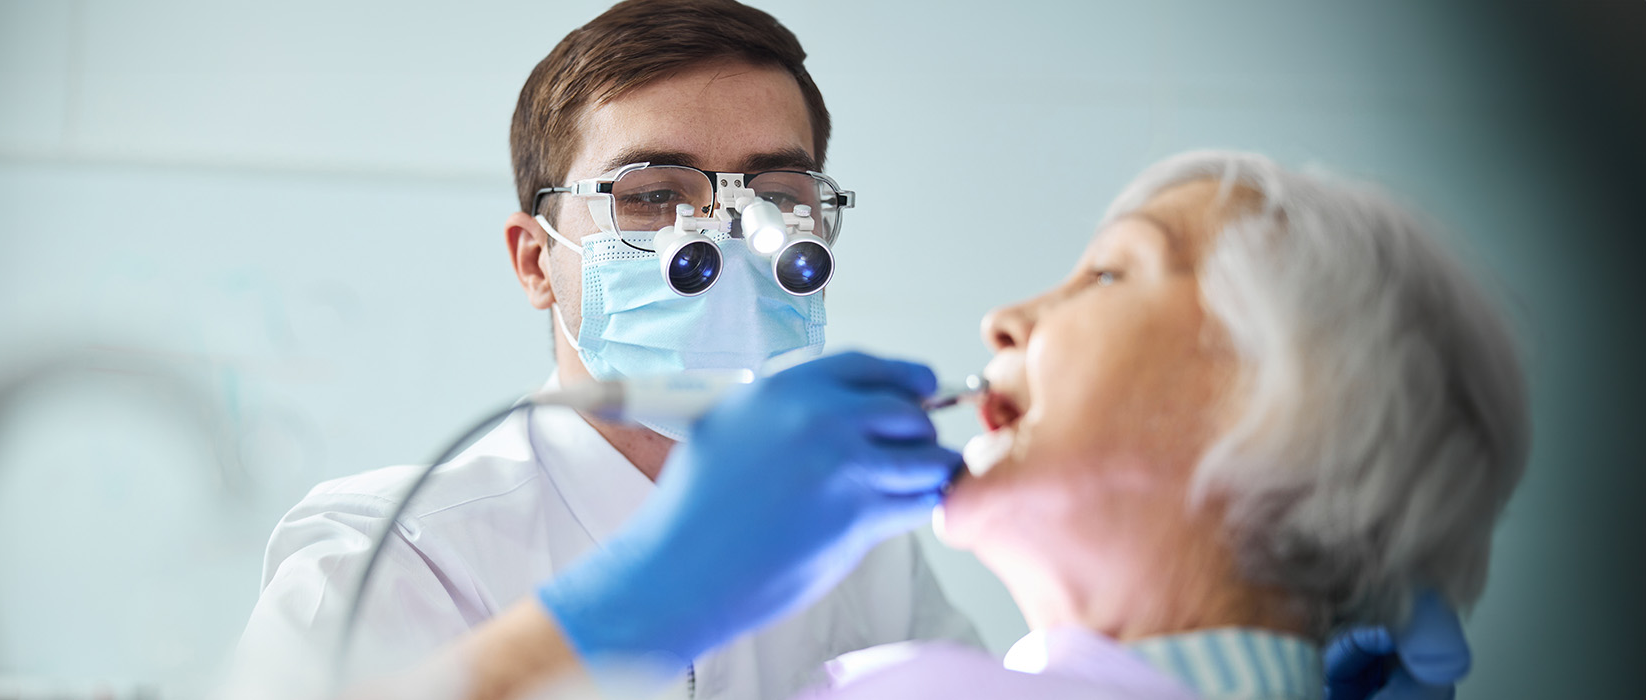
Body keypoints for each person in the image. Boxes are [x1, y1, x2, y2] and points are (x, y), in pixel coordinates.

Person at [401, 151, 1520, 700]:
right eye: (651, 195)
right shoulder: (391, 535)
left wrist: (622, 616)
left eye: (1106, 274)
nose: (1006, 316)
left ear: (1286, 399)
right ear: (534, 257)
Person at [231, 2, 978, 698]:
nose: (727, 237)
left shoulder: (858, 546)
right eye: (652, 195)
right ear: (535, 262)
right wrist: (642, 603)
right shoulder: (385, 553)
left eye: (777, 197)